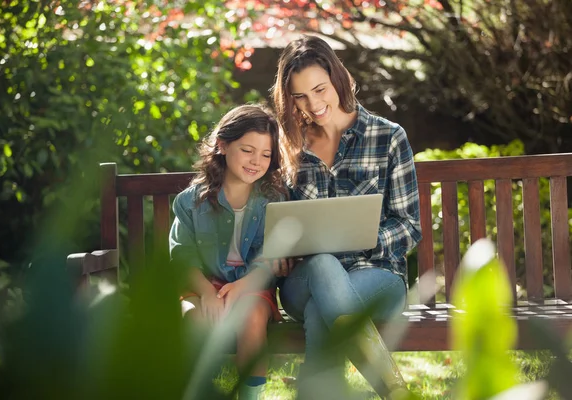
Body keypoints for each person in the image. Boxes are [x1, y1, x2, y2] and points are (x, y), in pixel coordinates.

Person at [271, 35, 422, 399]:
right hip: (303, 281)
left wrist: (365, 238)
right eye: (300, 96)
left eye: (320, 89)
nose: (313, 104)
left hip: (378, 277)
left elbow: (409, 226)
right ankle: (393, 389)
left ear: (338, 78)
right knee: (322, 264)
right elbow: (272, 216)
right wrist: (277, 246)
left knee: (321, 312)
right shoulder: (288, 145)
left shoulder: (387, 136)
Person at [169, 104, 287, 400]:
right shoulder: (189, 202)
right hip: (203, 284)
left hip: (251, 285)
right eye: (247, 150)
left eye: (265, 154)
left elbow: (271, 257)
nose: (256, 161)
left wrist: (243, 286)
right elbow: (181, 256)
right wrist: (207, 293)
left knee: (251, 317)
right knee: (192, 318)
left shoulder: (273, 200)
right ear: (222, 145)